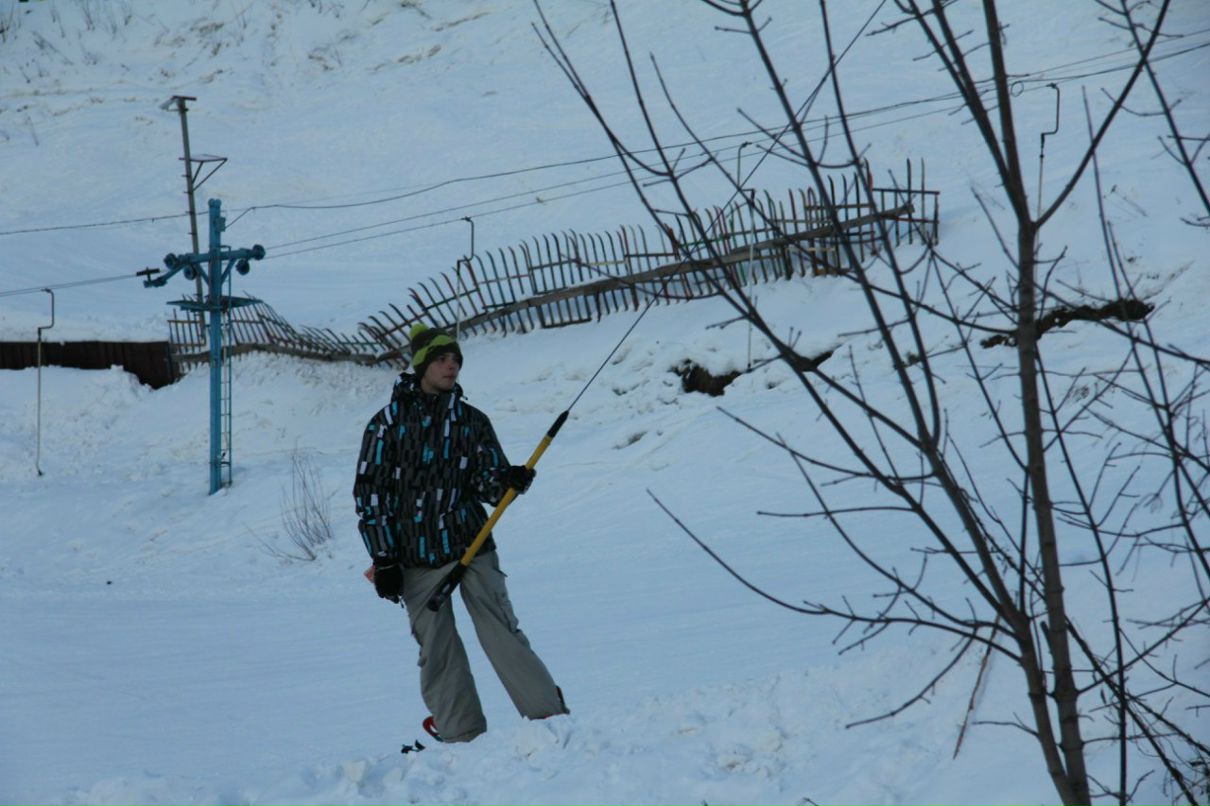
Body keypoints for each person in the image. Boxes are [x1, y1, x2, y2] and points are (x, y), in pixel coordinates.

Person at [353, 323, 568, 743]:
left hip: (471, 543)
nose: (451, 365)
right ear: (421, 366)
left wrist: (508, 480)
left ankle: (548, 717)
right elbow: (370, 494)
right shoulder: (386, 426)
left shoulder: (471, 421)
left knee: (501, 631)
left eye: (456, 359)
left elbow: (486, 484)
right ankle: (460, 734)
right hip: (414, 558)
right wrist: (384, 559)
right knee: (437, 651)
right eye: (441, 359)